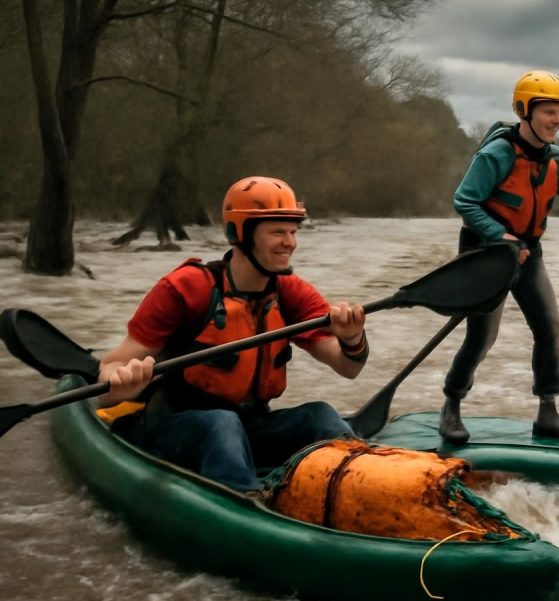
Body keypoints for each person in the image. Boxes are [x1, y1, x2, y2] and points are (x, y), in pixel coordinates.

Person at [98, 176, 369, 494]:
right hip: (175, 426)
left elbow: (348, 368)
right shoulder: (187, 288)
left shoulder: (290, 292)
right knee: (221, 424)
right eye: (277, 232)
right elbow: (109, 372)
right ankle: (248, 507)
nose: (290, 242)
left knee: (320, 416)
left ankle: (363, 485)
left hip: (250, 426)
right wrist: (125, 383)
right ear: (240, 233)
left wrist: (352, 338)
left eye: (293, 232)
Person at [438, 69, 559, 444]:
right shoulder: (497, 153)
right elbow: (465, 201)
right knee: (482, 336)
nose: (556, 120)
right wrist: (498, 236)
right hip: (485, 253)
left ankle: (548, 412)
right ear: (525, 110)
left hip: (528, 252)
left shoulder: (558, 158)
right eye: (548, 112)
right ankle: (451, 406)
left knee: (550, 328)